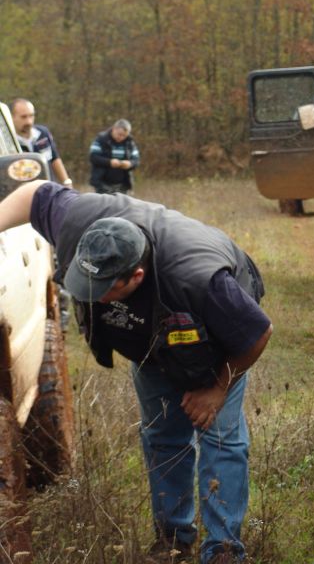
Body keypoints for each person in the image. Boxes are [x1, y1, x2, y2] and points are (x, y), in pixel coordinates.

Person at [0, 180, 272, 564]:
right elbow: (35, 193)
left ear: (136, 277)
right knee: (162, 436)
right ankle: (172, 542)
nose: (89, 295)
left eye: (102, 289)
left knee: (221, 439)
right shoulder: (79, 222)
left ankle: (223, 550)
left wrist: (216, 388)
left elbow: (258, 333)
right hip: (150, 348)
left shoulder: (199, 279)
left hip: (214, 342)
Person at [10, 98, 73, 187]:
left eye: (31, 116)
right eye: (23, 117)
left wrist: (66, 182)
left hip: (48, 189)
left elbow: (55, 158)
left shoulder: (43, 133)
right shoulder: (7, 142)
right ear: (11, 117)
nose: (29, 121)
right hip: (22, 193)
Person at [89, 119, 140, 194]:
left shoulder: (130, 142)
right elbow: (93, 157)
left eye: (124, 136)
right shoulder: (101, 139)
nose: (121, 137)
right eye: (119, 134)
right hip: (102, 184)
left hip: (123, 185)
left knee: (122, 206)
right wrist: (109, 162)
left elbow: (136, 160)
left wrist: (130, 164)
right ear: (114, 129)